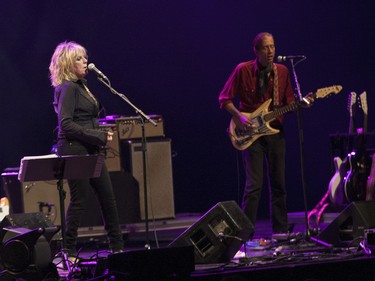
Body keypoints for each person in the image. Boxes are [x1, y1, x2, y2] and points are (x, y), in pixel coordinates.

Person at [218, 32, 312, 235]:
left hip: (275, 133)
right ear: (256, 50)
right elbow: (224, 98)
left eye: (273, 47)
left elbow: (288, 103)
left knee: (279, 185)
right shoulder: (243, 70)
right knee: (254, 187)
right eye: (266, 48)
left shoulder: (283, 71)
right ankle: (244, 236)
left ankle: (280, 233)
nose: (270, 51)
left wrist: (300, 105)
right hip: (250, 134)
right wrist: (239, 117)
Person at [49, 41, 124, 256]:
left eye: (85, 57)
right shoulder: (67, 88)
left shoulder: (81, 86)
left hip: (90, 148)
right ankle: (68, 250)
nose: (85, 61)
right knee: (79, 200)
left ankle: (117, 248)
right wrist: (98, 135)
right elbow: (66, 124)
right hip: (75, 149)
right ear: (67, 63)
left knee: (107, 198)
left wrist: (98, 132)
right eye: (79, 58)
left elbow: (86, 117)